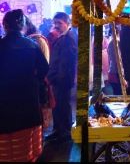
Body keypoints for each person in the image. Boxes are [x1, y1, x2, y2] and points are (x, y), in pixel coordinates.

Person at [0, 9, 49, 162]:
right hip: (28, 103)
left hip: (3, 104)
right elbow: (43, 71)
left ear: (4, 25)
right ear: (23, 25)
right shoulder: (32, 46)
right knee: (28, 150)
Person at [46, 12, 78, 143]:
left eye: (60, 23)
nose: (56, 26)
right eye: (55, 23)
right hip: (58, 79)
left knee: (62, 106)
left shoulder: (69, 38)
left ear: (67, 23)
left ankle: (64, 133)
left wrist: (57, 78)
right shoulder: (62, 37)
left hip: (62, 80)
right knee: (58, 106)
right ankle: (58, 130)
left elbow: (66, 63)